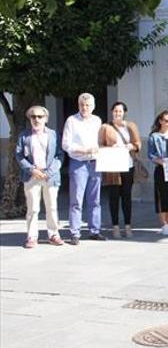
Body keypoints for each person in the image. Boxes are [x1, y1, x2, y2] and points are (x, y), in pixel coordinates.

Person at [16, 105, 65, 248]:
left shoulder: (53, 134)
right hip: (32, 176)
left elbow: (59, 155)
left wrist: (49, 172)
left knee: (52, 207)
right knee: (33, 208)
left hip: (50, 176)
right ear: (30, 119)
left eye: (39, 116)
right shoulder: (24, 135)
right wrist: (31, 169)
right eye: (33, 117)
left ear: (46, 118)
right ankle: (31, 236)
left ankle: (54, 234)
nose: (36, 119)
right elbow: (19, 155)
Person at [62, 92, 105, 244]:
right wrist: (84, 150)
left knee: (95, 200)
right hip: (78, 163)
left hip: (95, 163)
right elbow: (66, 144)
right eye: (82, 105)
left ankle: (95, 230)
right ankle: (75, 233)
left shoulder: (97, 121)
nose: (84, 108)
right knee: (76, 200)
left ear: (93, 106)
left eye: (87, 105)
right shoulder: (72, 121)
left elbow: (101, 140)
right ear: (78, 105)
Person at [98, 101, 141, 238]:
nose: (118, 113)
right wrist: (110, 148)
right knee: (114, 196)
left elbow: (138, 143)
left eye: (120, 111)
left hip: (128, 165)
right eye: (115, 111)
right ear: (112, 112)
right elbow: (99, 144)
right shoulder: (105, 127)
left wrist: (132, 146)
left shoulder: (131, 126)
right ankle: (115, 226)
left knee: (127, 196)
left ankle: (128, 226)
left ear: (124, 113)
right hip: (113, 166)